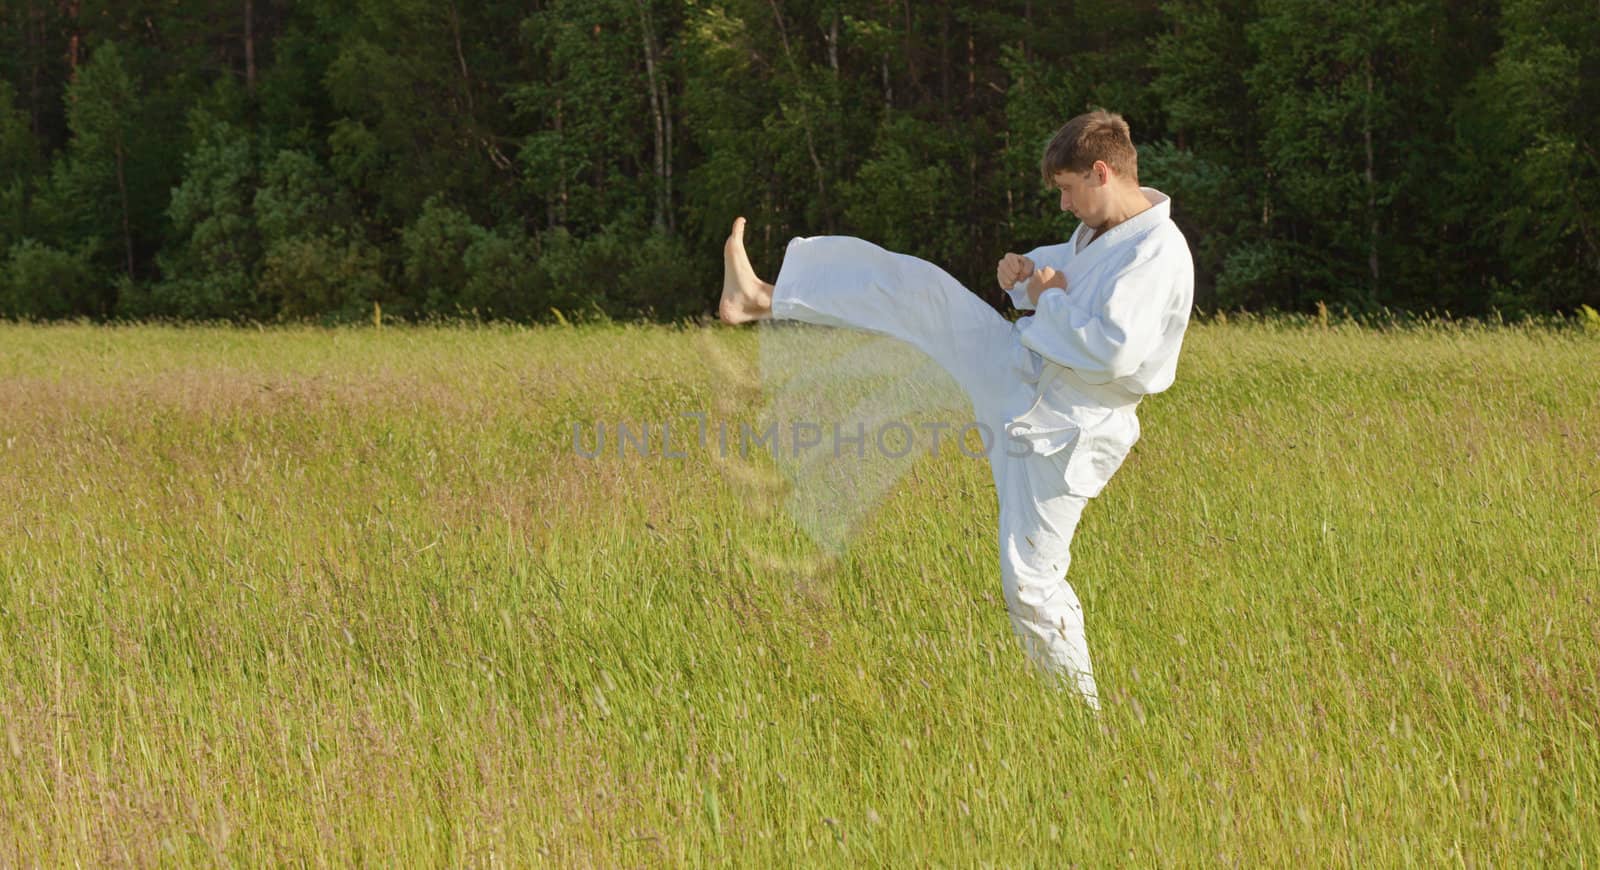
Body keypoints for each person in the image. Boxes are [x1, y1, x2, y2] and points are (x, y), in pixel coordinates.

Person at [717, 109, 1194, 710]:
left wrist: (1044, 300)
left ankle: (1083, 723)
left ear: (1101, 172)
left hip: (1070, 429)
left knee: (1032, 584)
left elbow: (1115, 350)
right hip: (1026, 375)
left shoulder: (1158, 252)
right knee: (927, 293)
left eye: (1069, 190)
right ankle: (763, 297)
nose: (1066, 206)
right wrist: (1022, 276)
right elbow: (1057, 280)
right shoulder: (1104, 231)